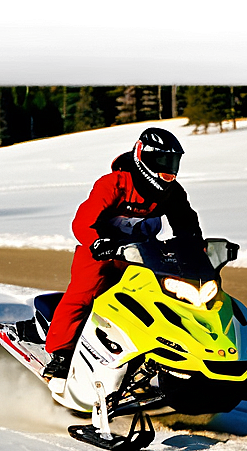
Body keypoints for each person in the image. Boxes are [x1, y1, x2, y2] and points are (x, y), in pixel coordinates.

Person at [42, 127, 204, 379]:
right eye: (162, 160)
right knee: (83, 294)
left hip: (143, 253)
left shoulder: (172, 191)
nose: (168, 169)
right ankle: (61, 354)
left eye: (173, 162)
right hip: (101, 252)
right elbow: (83, 221)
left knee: (164, 295)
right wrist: (97, 242)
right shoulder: (114, 183)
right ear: (143, 156)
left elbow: (186, 221)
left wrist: (195, 247)